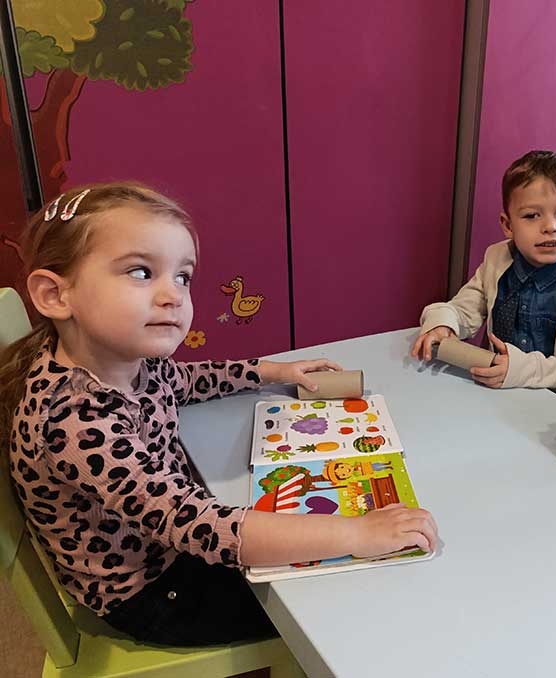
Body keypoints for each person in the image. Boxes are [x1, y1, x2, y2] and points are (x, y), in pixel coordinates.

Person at [0, 182, 438, 646]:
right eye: (141, 272)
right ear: (55, 295)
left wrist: (272, 371)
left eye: (183, 277)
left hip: (174, 545)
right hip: (152, 592)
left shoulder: (123, 359)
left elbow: (185, 381)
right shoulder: (75, 420)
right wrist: (356, 534)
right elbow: (196, 525)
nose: (173, 295)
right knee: (349, 603)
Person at [411, 150, 556, 394]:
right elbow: (463, 310)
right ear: (508, 225)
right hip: (502, 393)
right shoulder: (496, 259)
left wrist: (521, 369)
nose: (551, 226)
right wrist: (443, 323)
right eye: (532, 216)